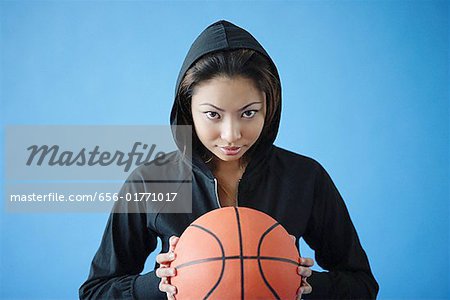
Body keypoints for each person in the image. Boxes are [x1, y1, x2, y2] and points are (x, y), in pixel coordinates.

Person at [79, 20, 379, 299]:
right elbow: (95, 291)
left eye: (248, 113)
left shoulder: (305, 177)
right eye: (213, 114)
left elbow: (362, 284)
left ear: (269, 109)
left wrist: (303, 282)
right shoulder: (150, 181)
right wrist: (162, 283)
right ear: (188, 111)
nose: (231, 134)